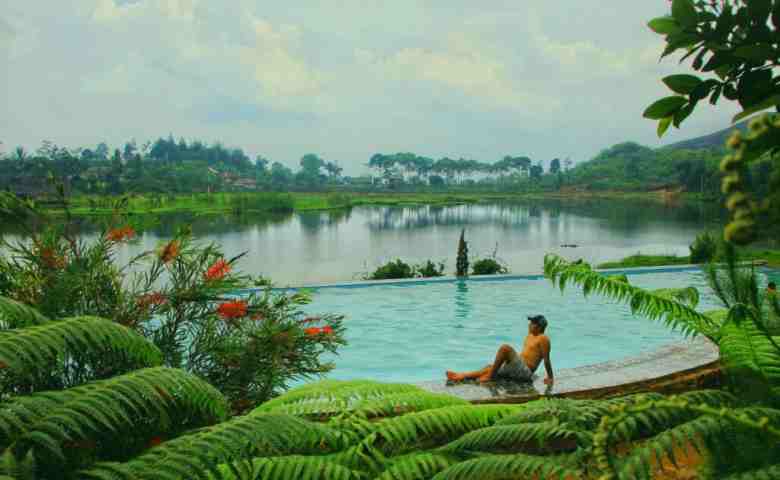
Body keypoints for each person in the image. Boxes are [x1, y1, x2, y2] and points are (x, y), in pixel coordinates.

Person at [446, 314, 554, 385]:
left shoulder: (543, 339)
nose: (529, 325)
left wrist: (550, 378)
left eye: (532, 323)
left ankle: (491, 377)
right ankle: (460, 376)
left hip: (525, 372)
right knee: (490, 367)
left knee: (505, 348)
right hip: (516, 368)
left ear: (539, 327)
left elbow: (546, 360)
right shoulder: (530, 335)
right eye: (530, 322)